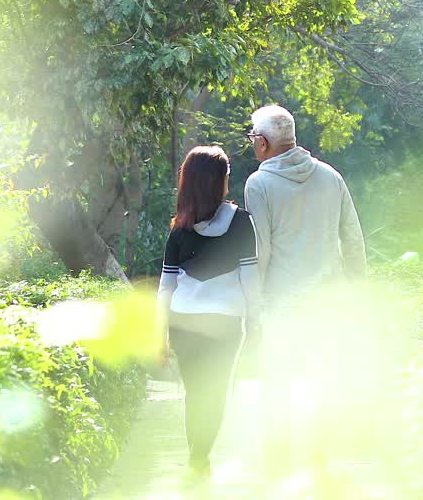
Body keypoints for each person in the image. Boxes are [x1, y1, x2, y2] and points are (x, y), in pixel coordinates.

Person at [242, 104, 366, 476]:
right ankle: (319, 457)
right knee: (321, 379)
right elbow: (354, 241)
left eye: (252, 138)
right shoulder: (331, 177)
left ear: (262, 143)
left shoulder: (258, 184)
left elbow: (260, 250)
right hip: (328, 301)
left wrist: (252, 306)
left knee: (277, 382)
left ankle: (277, 462)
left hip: (282, 304)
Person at [155, 145, 262, 483]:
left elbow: (165, 288)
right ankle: (200, 457)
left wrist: (159, 335)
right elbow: (251, 280)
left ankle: (196, 459)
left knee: (195, 392)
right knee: (214, 392)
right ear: (219, 182)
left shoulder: (179, 229)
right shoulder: (242, 222)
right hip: (225, 323)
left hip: (182, 322)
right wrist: (256, 323)